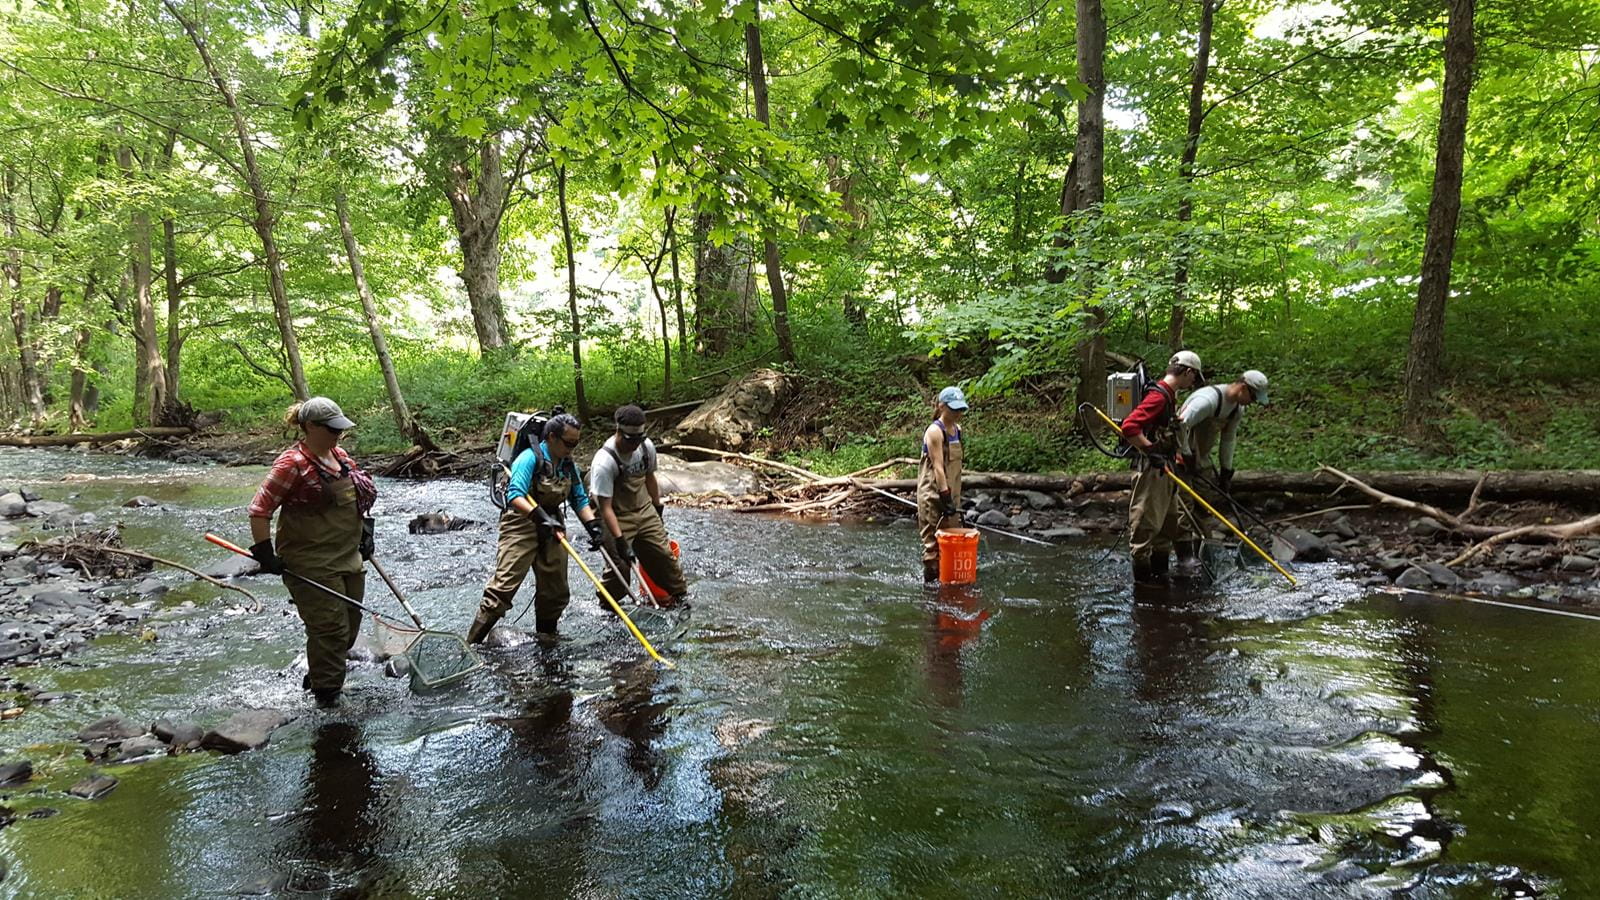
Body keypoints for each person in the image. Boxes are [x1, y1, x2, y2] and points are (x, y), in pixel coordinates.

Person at [247, 398, 378, 708]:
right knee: (330, 630)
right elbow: (259, 509)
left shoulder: (341, 457)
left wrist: (366, 536)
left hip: (348, 557)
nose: (339, 435)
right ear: (311, 428)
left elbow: (356, 501)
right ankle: (327, 700)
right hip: (310, 563)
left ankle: (318, 676)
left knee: (349, 627)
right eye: (332, 429)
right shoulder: (291, 464)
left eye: (341, 429)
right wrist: (265, 554)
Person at [469, 413, 602, 643]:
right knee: (502, 589)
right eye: (569, 443)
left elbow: (579, 499)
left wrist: (593, 526)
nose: (573, 448)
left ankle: (546, 639)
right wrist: (538, 517)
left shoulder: (568, 465)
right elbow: (515, 495)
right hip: (520, 523)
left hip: (552, 524)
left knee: (556, 592)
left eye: (576, 443)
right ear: (551, 437)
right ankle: (471, 644)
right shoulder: (528, 458)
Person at [588, 405, 688, 609]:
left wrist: (657, 508)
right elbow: (605, 507)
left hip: (643, 508)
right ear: (618, 431)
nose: (635, 444)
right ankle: (607, 606)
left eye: (639, 439)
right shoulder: (604, 461)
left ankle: (680, 598)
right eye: (630, 439)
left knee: (664, 556)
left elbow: (650, 478)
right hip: (614, 514)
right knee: (621, 568)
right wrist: (620, 540)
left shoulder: (646, 447)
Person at [1119, 351, 1203, 585]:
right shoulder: (1159, 397)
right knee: (1145, 527)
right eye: (1193, 378)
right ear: (1188, 372)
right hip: (1151, 471)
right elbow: (1130, 427)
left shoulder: (1168, 395)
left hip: (1165, 469)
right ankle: (1144, 591)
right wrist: (1150, 450)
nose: (1192, 384)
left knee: (1168, 524)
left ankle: (1161, 580)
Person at [1173, 370, 1270, 574]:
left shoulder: (1236, 410)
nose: (1252, 402)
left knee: (1204, 505)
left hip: (1201, 458)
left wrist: (1226, 471)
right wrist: (1186, 454)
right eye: (1252, 397)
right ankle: (1184, 558)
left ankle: (1205, 551)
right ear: (1243, 388)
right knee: (1185, 505)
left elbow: (1228, 440)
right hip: (1178, 455)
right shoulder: (1206, 400)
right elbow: (1180, 425)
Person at [917, 386, 968, 583]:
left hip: (952, 494)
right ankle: (930, 591)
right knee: (933, 546)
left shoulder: (958, 431)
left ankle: (947, 584)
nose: (957, 414)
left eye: (960, 410)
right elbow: (938, 467)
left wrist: (954, 499)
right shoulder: (934, 432)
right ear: (941, 406)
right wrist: (945, 497)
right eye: (953, 409)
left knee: (951, 542)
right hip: (933, 494)